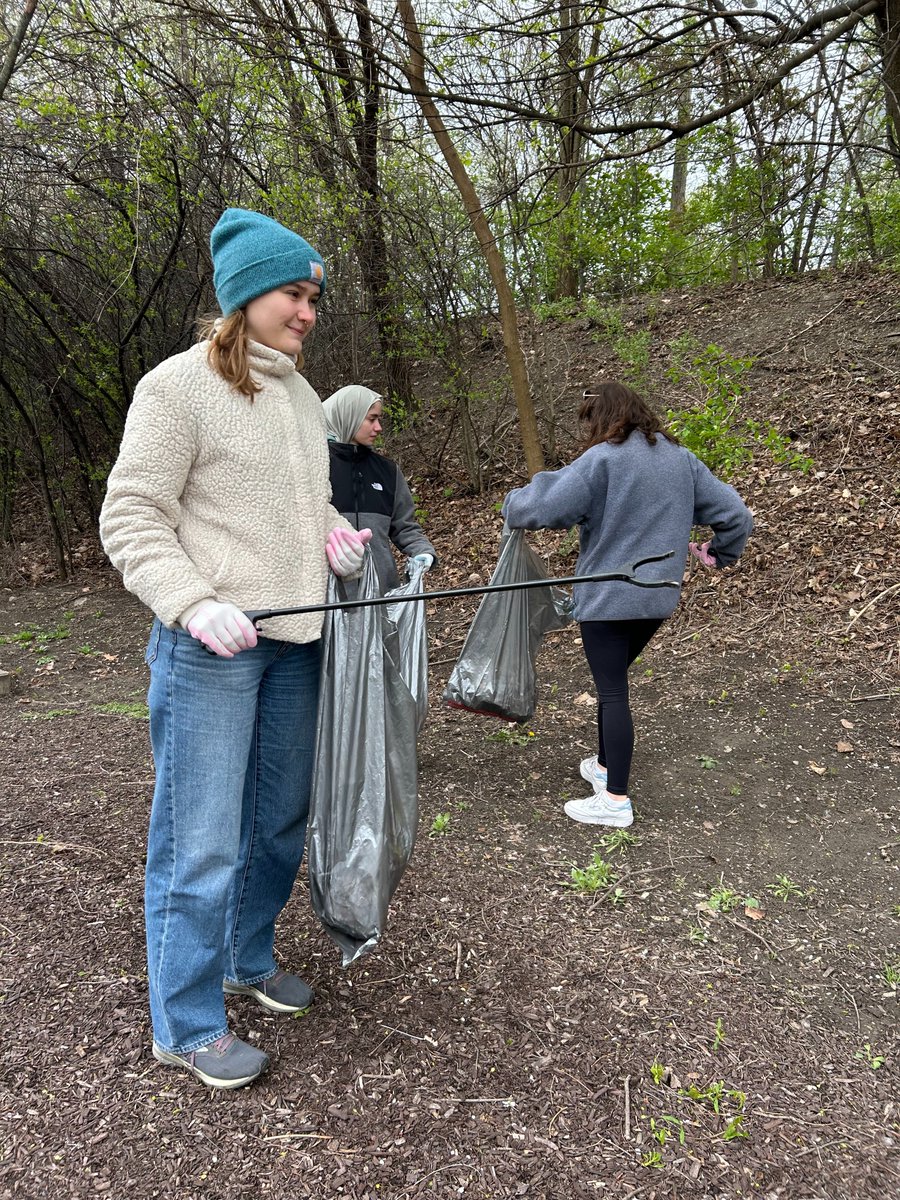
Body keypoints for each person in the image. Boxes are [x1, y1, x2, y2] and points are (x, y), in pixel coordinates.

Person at [99, 208, 372, 1090]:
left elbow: (297, 504)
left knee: (279, 823)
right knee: (201, 840)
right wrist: (190, 602)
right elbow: (131, 514)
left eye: (314, 296)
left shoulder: (296, 393)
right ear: (249, 295)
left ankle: (245, 959)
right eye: (296, 293)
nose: (308, 311)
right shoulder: (175, 389)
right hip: (212, 650)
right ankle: (184, 1023)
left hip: (299, 641)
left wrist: (334, 534)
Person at [503, 381, 752, 828]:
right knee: (613, 681)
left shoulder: (603, 460)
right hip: (659, 597)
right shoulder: (682, 460)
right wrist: (720, 553)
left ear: (604, 417)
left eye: (589, 421)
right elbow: (736, 515)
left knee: (612, 691)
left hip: (608, 595)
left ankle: (615, 799)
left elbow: (541, 505)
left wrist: (511, 504)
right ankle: (602, 767)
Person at [322, 385, 437, 592]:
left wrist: (423, 552)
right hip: (327, 601)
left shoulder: (388, 471)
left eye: (379, 419)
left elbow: (405, 527)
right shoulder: (316, 467)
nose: (378, 427)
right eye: (371, 419)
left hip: (381, 596)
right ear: (350, 416)